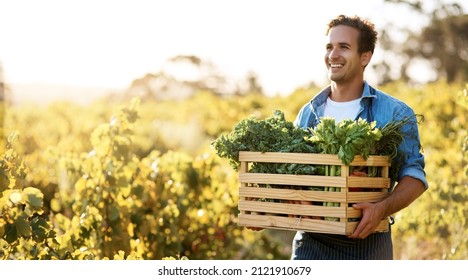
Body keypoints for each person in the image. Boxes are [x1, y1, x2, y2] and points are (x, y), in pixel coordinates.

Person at [291, 15, 428, 260]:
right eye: (329, 47)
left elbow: (414, 177)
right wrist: (269, 210)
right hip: (310, 245)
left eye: (344, 47)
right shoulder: (308, 113)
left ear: (365, 57)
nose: (333, 55)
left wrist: (381, 209)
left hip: (368, 246)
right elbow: (292, 177)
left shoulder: (394, 113)